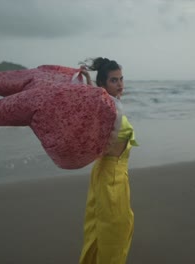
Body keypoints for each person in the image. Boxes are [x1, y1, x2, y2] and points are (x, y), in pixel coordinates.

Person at [78, 57, 138, 264]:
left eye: (121, 78)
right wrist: (89, 85)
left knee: (102, 228)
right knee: (114, 233)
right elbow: (94, 105)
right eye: (114, 80)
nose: (120, 84)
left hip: (114, 173)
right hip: (110, 176)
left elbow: (95, 103)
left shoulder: (112, 103)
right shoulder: (108, 106)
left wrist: (89, 83)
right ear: (102, 84)